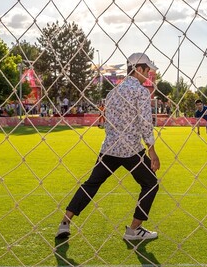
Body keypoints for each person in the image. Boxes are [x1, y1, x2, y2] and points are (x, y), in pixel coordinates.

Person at [56, 52, 160, 242]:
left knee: (91, 184)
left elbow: (107, 121)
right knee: (151, 184)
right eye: (147, 70)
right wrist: (152, 151)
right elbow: (145, 123)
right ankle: (134, 230)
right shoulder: (141, 91)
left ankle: (65, 222)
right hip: (130, 150)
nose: (149, 74)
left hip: (109, 149)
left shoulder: (113, 92)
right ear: (138, 69)